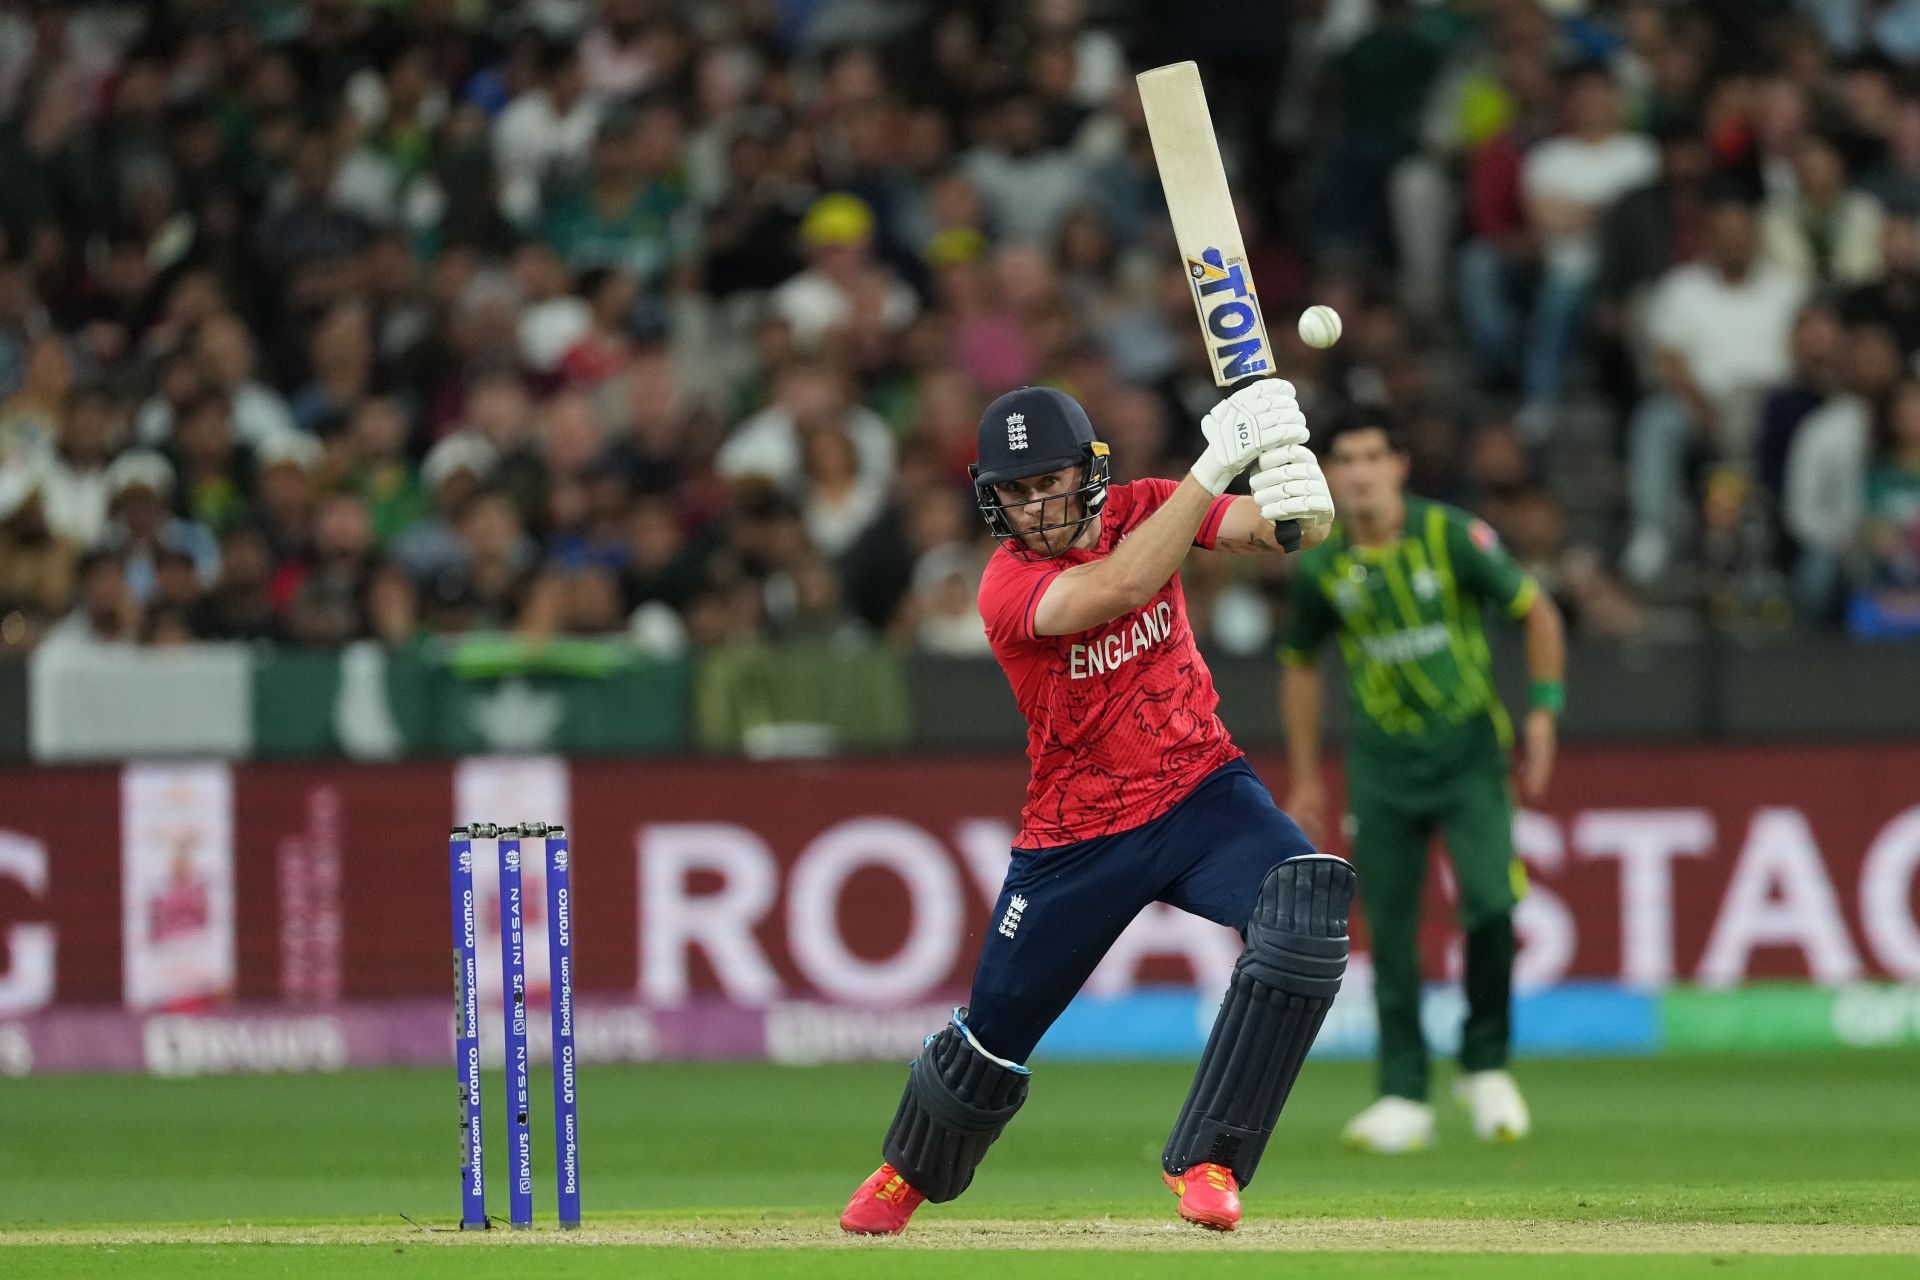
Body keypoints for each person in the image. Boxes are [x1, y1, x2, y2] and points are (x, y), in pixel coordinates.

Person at [839, 380, 1350, 1237]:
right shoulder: (1003, 587)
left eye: (1049, 481)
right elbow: (1115, 589)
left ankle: (1212, 1159)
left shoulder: (1149, 504)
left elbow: (1267, 530)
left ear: (1089, 472)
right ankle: (907, 1172)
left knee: (1306, 906)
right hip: (1077, 834)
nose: (1034, 504)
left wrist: (1302, 499)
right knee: (995, 1031)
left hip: (1201, 791)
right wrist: (1215, 462)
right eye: (1014, 490)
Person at [1279, 407, 1566, 1155]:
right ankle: (1403, 1093)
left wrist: (1543, 712)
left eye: (1375, 454)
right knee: (1392, 933)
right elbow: (1300, 664)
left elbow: (1536, 612)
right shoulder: (1321, 564)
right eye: (1346, 458)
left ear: (1400, 465)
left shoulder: (1452, 536)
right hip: (1381, 768)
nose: (1361, 471)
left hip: (1470, 757)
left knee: (1491, 905)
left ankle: (1486, 1064)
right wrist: (1307, 776)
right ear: (1331, 474)